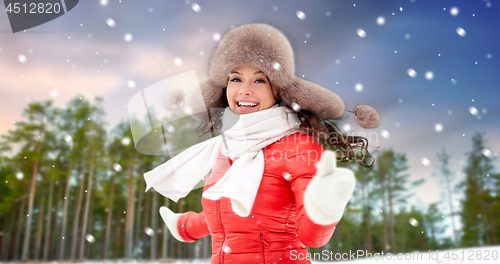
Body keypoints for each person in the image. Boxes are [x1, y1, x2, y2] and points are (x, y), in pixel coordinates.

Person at [144, 23, 379, 264]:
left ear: (278, 91)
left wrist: (324, 208)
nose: (244, 90)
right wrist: (187, 226)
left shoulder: (298, 147)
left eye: (259, 81)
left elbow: (311, 236)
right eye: (236, 79)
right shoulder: (227, 147)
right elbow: (231, 211)